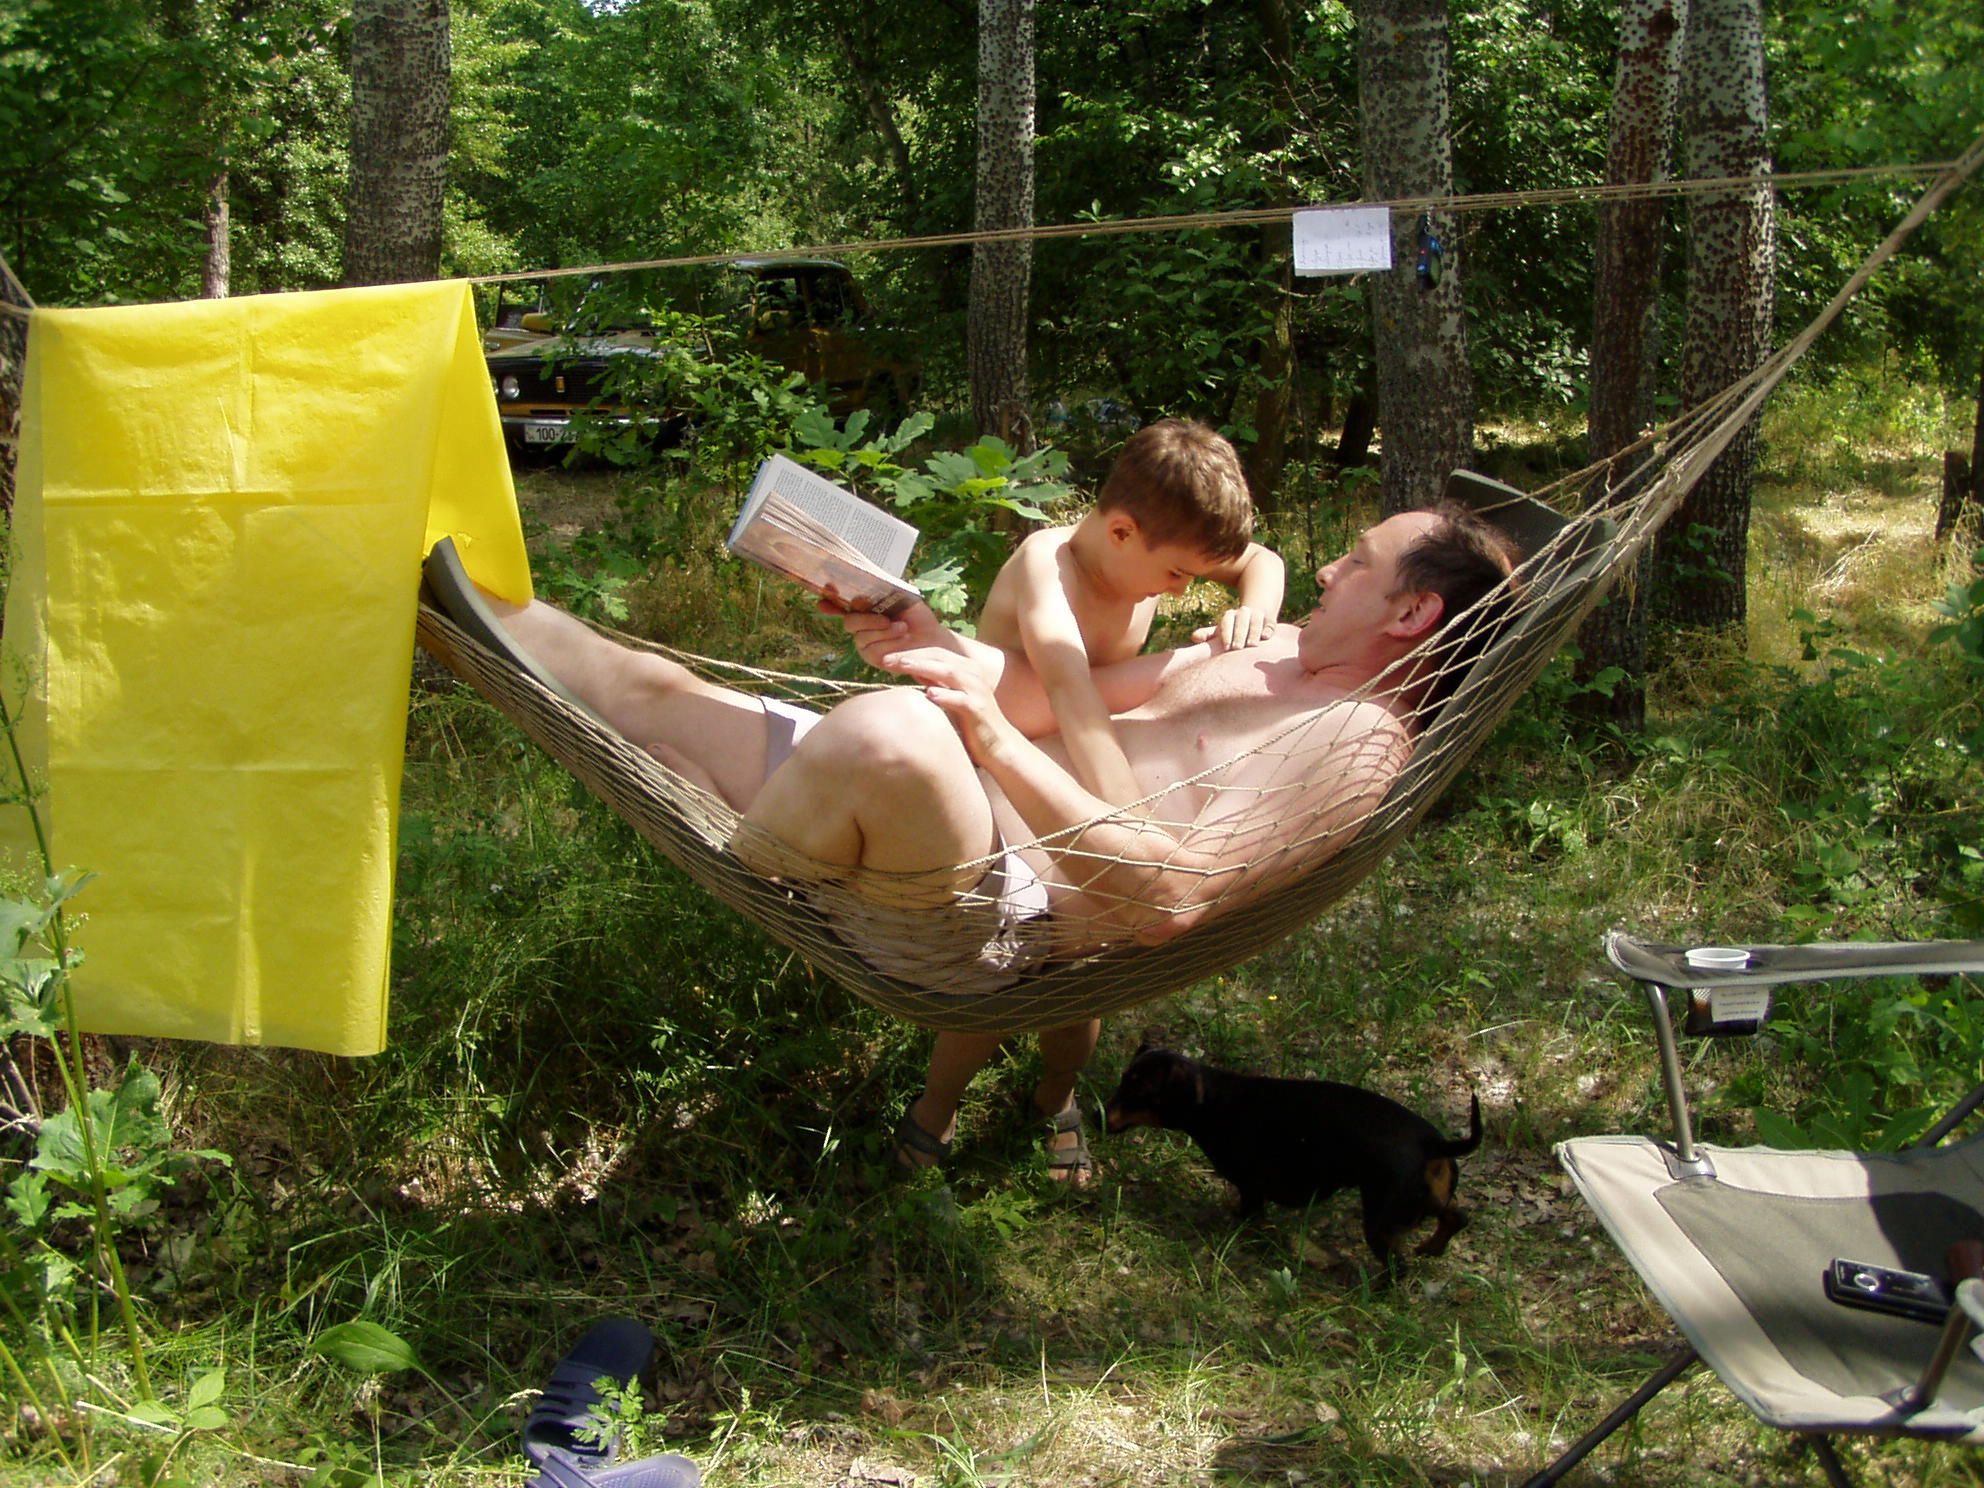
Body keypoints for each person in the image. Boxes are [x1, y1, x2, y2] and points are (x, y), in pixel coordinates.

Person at [448, 502, 1518, 1186]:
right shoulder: (1269, 652)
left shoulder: (1353, 748)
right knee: (649, 687)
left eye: (1358, 563)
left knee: (892, 735)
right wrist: (936, 642)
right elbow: (1060, 698)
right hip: (917, 811)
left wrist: (985, 738)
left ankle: (760, 846)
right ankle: (423, 579)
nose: (1327, 568)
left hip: (982, 914)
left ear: (1411, 615)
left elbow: (1170, 901)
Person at [976, 419, 1285, 807]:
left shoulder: (1148, 550)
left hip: (1084, 749)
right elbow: (1069, 693)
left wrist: (1255, 611)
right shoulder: (1047, 566)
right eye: (1177, 573)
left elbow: (1261, 560)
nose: (1181, 589)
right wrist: (1129, 819)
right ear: (1121, 533)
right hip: (997, 758)